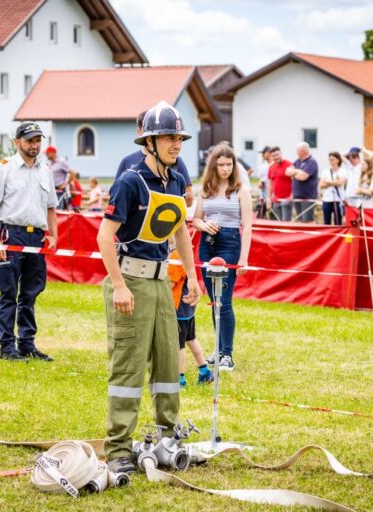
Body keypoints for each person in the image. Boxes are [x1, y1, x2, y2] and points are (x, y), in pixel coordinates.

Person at [96, 101, 201, 475]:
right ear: (150, 141)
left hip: (160, 282)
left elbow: (181, 230)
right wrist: (120, 286)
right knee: (128, 368)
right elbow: (104, 237)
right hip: (131, 282)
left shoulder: (173, 180)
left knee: (169, 363)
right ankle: (119, 448)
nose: (177, 144)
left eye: (179, 137)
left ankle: (169, 436)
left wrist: (191, 274)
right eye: (170, 137)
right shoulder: (129, 181)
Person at [0, 122, 59, 362]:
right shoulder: (4, 168)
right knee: (8, 292)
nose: (34, 145)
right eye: (29, 140)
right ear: (17, 142)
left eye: (38, 140)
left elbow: (51, 207)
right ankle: (7, 346)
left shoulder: (45, 170)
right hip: (11, 235)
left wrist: (53, 234)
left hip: (36, 237)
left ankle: (27, 343)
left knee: (31, 292)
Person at [193, 143, 252, 372]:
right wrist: (205, 225)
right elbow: (196, 219)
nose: (225, 169)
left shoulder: (241, 190)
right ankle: (217, 350)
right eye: (221, 165)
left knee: (225, 300)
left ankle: (227, 354)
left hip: (229, 244)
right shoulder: (205, 188)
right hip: (207, 244)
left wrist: (243, 259)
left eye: (229, 164)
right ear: (214, 166)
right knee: (214, 300)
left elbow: (247, 227)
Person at [115, 110, 194, 207]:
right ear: (149, 140)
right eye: (170, 138)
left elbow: (181, 217)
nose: (177, 146)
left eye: (180, 139)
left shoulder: (179, 180)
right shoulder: (127, 180)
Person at [167, 247, 214, 389]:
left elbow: (170, 282)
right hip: (188, 309)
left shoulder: (176, 254)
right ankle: (204, 370)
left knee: (178, 345)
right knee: (191, 339)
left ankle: (179, 379)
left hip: (178, 307)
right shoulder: (184, 253)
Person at [285, 142, 319, 223]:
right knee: (300, 219)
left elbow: (303, 177)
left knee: (307, 220)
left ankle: (310, 235)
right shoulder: (298, 161)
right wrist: (298, 171)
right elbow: (287, 172)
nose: (296, 153)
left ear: (303, 151)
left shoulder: (312, 162)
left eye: (298, 151)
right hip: (297, 196)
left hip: (307, 197)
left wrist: (294, 174)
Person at [319, 151, 346, 225]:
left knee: (338, 221)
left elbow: (340, 183)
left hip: (338, 200)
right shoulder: (325, 171)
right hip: (327, 199)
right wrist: (334, 182)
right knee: (326, 221)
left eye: (332, 159)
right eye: (329, 159)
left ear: (338, 160)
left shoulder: (342, 171)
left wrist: (327, 181)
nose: (330, 161)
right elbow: (321, 185)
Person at [267, 146, 292, 221]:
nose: (276, 157)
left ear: (281, 154)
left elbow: (295, 182)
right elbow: (270, 184)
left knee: (286, 222)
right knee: (278, 222)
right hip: (276, 200)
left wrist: (292, 196)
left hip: (286, 199)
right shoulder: (271, 167)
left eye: (277, 155)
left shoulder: (289, 165)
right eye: (273, 156)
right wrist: (269, 198)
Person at [46, 146, 72, 210]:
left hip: (60, 192)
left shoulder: (61, 162)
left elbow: (73, 173)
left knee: (59, 213)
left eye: (47, 153)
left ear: (53, 153)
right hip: (52, 191)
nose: (46, 155)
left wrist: (66, 184)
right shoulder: (49, 163)